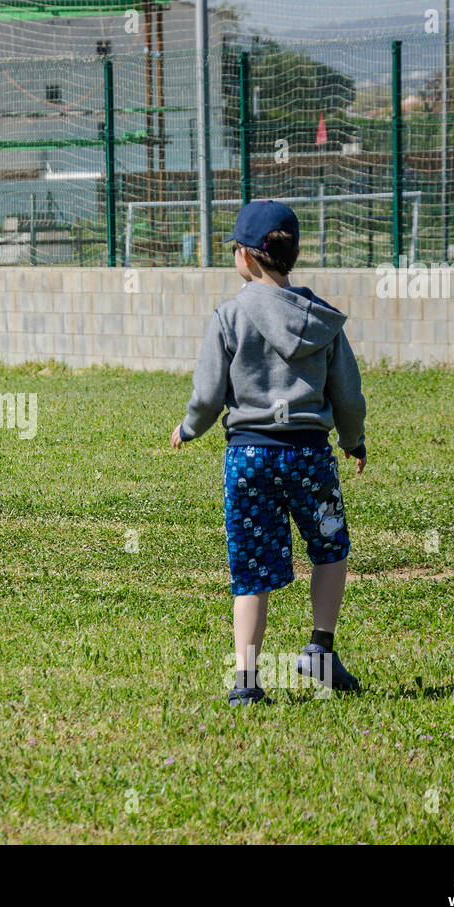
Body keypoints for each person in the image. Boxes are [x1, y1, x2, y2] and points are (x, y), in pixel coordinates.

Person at [171, 201, 368, 705]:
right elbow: (347, 394)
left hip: (248, 460)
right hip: (309, 457)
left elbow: (208, 394)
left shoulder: (230, 316)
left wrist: (190, 428)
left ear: (245, 257)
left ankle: (246, 681)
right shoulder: (321, 320)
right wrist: (353, 440)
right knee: (330, 547)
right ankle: (320, 648)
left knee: (250, 569)